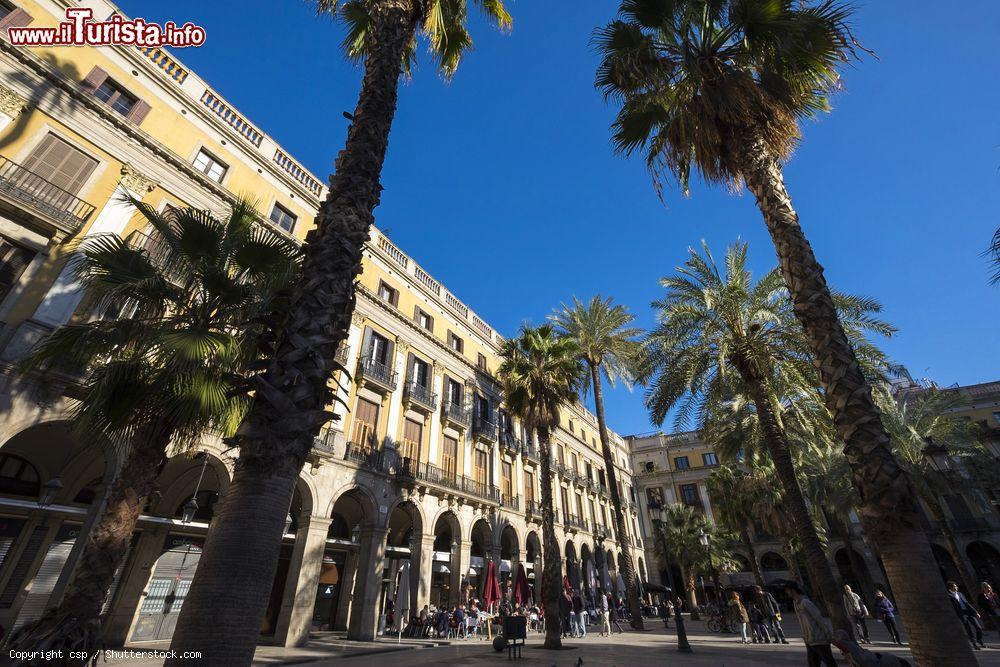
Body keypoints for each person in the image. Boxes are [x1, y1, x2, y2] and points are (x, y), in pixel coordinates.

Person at [785, 580, 837, 667]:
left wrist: (829, 635)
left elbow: (819, 619)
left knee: (829, 662)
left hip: (819, 639)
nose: (786, 592)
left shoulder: (805, 602)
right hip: (809, 640)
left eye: (787, 590)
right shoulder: (796, 603)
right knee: (813, 663)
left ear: (792, 590)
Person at [948, 581, 987, 650]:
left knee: (978, 627)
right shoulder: (949, 596)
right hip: (961, 613)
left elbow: (967, 603)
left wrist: (975, 612)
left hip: (968, 612)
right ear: (951, 588)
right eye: (955, 586)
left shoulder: (960, 594)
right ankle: (974, 644)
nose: (956, 587)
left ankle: (979, 640)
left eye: (956, 586)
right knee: (968, 629)